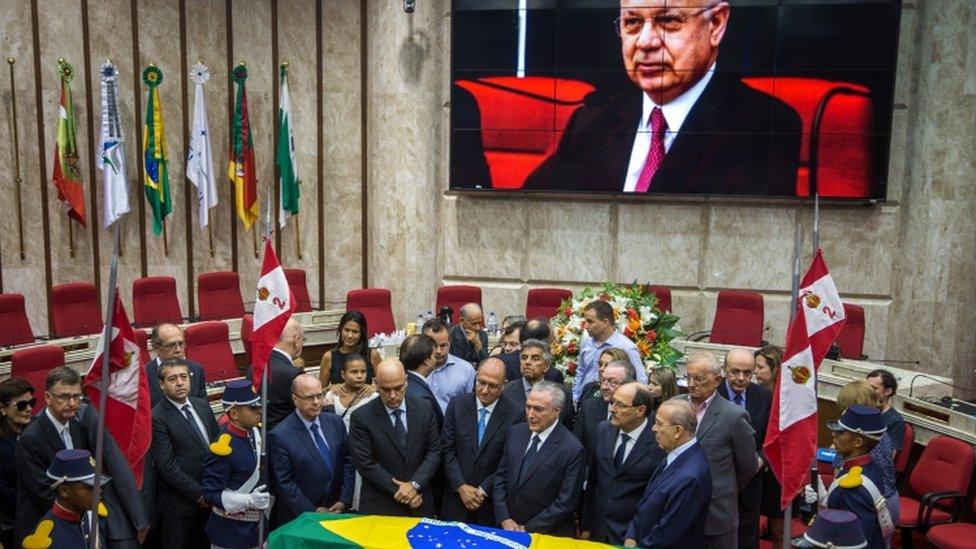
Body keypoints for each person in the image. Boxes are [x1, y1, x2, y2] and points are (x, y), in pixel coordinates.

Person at [523, 0, 801, 195]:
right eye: (632, 22)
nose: (645, 42)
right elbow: (528, 215)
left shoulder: (763, 125)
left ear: (716, 24)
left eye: (667, 21)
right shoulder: (592, 122)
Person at [15, 367, 148, 548]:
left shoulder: (78, 427)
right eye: (64, 397)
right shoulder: (31, 438)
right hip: (47, 529)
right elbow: (44, 491)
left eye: (76, 396)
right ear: (47, 398)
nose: (72, 403)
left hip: (78, 520)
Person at [683, 351, 759, 549]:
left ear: (717, 379)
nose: (691, 384)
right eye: (688, 377)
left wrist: (722, 487)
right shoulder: (674, 407)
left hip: (715, 514)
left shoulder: (734, 416)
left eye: (698, 379)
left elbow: (748, 466)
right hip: (678, 510)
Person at [348, 358, 442, 517]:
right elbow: (365, 464)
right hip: (381, 507)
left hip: (420, 503)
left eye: (398, 388)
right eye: (385, 389)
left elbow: (434, 452)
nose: (393, 395)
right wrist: (404, 491)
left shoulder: (424, 408)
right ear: (376, 384)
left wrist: (414, 485)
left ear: (406, 381)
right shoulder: (361, 417)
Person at [494, 381, 585, 536]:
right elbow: (501, 476)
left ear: (557, 411)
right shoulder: (515, 432)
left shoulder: (572, 449)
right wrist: (505, 518)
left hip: (546, 535)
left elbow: (566, 502)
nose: (530, 415)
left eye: (538, 409)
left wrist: (527, 529)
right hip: (508, 528)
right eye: (528, 407)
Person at [440, 357, 522, 525]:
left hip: (490, 506)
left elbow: (509, 461)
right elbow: (447, 449)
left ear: (504, 385)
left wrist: (483, 490)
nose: (485, 390)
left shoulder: (516, 414)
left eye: (492, 386)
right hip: (455, 502)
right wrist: (461, 486)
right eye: (481, 382)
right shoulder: (457, 405)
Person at [149, 359, 220, 549]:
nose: (180, 383)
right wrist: (199, 494)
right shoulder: (157, 417)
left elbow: (217, 444)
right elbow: (166, 466)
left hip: (212, 498)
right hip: (180, 508)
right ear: (162, 385)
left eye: (183, 377)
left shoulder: (201, 405)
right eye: (172, 379)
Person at [582, 382, 666, 544]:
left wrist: (637, 535)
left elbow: (656, 499)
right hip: (598, 531)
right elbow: (593, 481)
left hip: (633, 535)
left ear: (640, 410)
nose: (612, 409)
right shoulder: (603, 430)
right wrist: (586, 525)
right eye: (613, 402)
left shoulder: (659, 442)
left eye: (620, 405)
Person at [624, 399, 712, 548]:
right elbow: (647, 502)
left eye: (659, 423)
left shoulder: (690, 477)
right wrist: (632, 535)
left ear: (677, 431)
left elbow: (669, 535)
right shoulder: (674, 453)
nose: (653, 429)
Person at [268, 374, 354, 526]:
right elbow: (285, 482)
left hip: (337, 510)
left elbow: (348, 460)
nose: (316, 402)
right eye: (309, 397)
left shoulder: (335, 422)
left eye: (319, 396)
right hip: (302, 517)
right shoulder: (280, 435)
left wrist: (344, 499)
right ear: (295, 399)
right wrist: (311, 510)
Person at [201, 379, 271, 549]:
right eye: (252, 408)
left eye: (259, 406)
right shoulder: (223, 447)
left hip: (258, 528)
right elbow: (210, 493)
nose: (259, 411)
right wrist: (247, 500)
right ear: (233, 414)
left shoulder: (257, 432)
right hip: (231, 533)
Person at [718, 348, 772, 549]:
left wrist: (760, 459)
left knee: (746, 540)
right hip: (717, 487)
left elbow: (770, 440)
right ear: (724, 370)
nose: (741, 378)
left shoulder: (763, 396)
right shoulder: (713, 394)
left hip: (750, 487)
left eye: (747, 373)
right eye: (735, 372)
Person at [831, 380, 899, 532]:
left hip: (864, 501)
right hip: (889, 501)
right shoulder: (879, 430)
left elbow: (838, 482)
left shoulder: (850, 437)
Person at [824, 405, 894, 549]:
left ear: (857, 442)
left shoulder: (852, 486)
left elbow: (855, 541)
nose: (833, 435)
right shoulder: (869, 467)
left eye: (840, 433)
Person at [21, 449, 108, 549]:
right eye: (90, 487)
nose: (99, 490)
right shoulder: (43, 541)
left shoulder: (95, 517)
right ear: (64, 491)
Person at [323, 354, 378, 511]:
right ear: (343, 374)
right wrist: (328, 387)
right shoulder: (331, 396)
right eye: (354, 372)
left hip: (362, 454)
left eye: (363, 371)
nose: (360, 376)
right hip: (338, 454)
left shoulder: (373, 397)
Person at [573, 300, 646, 403]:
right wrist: (575, 397)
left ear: (605, 323)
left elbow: (640, 382)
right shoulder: (586, 340)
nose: (585, 326)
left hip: (613, 403)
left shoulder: (627, 348)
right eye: (585, 321)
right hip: (585, 400)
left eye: (590, 321)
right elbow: (581, 371)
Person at [574, 360, 636, 467]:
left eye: (612, 382)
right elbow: (575, 449)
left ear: (629, 384)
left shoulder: (640, 414)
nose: (604, 387)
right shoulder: (588, 408)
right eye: (602, 381)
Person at [502, 339, 574, 428]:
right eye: (524, 358)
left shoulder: (563, 394)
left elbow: (567, 428)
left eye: (535, 358)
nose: (527, 362)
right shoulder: (506, 390)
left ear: (546, 366)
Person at [253, 317, 304, 431]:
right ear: (296, 341)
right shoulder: (293, 374)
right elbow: (308, 409)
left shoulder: (254, 366)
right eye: (303, 340)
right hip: (287, 438)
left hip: (260, 436)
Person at [0, 378, 33, 548]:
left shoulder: (37, 429)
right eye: (21, 405)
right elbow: (2, 489)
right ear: (3, 409)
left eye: (31, 402)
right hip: (13, 521)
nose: (29, 409)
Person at [146, 323, 207, 407]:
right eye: (171, 345)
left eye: (181, 343)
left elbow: (203, 408)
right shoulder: (143, 376)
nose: (178, 350)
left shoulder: (196, 369)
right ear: (156, 348)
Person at [422, 319, 476, 414]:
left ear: (450, 341)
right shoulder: (414, 368)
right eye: (434, 346)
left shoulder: (466, 371)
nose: (438, 351)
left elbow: (470, 408)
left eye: (443, 345)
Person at [318, 311, 381, 387]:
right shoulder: (329, 357)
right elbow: (320, 390)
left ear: (362, 333)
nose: (350, 335)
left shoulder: (372, 355)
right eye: (346, 330)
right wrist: (333, 388)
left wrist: (370, 388)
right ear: (341, 330)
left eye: (355, 332)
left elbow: (385, 385)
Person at [399, 334, 445, 429]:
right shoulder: (421, 397)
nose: (436, 359)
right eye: (434, 355)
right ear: (426, 360)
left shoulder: (408, 382)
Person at [499, 319, 564, 384]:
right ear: (545, 343)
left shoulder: (498, 361)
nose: (527, 362)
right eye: (552, 339)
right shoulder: (553, 375)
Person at [865, 369, 906, 453]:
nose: (867, 392)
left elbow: (887, 458)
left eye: (873, 388)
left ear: (888, 391)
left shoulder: (895, 421)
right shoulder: (859, 409)